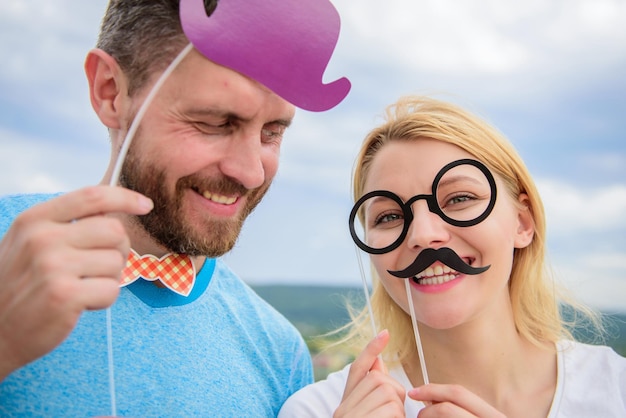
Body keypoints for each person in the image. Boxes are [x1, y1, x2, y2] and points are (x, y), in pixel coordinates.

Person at [0, 0, 350, 416]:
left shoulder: (279, 353)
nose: (251, 172)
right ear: (110, 92)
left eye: (272, 133)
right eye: (215, 123)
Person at [278, 95, 626, 417]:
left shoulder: (615, 390)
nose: (423, 235)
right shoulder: (322, 410)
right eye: (390, 216)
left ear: (522, 223)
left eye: (459, 199)